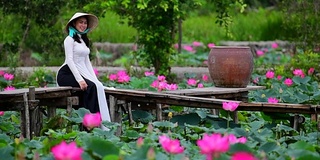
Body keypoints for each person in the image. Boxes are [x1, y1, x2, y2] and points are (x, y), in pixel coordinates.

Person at [56, 12, 111, 129]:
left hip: (79, 71)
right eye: (80, 22)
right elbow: (69, 61)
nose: (83, 25)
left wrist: (96, 80)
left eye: (85, 23)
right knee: (90, 87)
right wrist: (80, 80)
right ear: (74, 23)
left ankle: (95, 122)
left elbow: (87, 62)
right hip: (66, 73)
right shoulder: (69, 39)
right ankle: (90, 124)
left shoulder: (84, 40)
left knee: (96, 86)